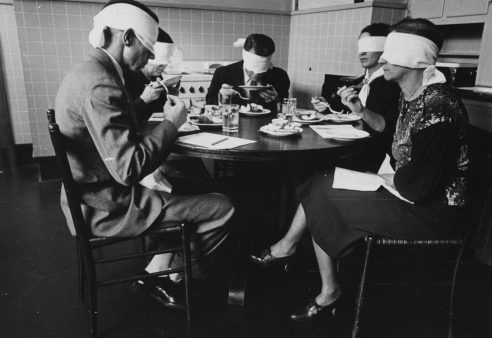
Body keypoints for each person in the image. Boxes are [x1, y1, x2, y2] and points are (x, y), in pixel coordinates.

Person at [251, 17, 469, 322]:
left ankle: (322, 284)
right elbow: (395, 138)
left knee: (323, 195)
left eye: (391, 52)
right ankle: (320, 279)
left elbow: (417, 188)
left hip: (433, 213)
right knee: (320, 180)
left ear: (416, 57)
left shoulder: (438, 109)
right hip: (407, 190)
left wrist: (378, 179)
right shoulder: (414, 96)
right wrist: (379, 171)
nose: (381, 58)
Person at [55, 0, 234, 311]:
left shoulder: (86, 71)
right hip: (108, 207)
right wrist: (171, 124)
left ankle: (159, 271)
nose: (151, 57)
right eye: (148, 48)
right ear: (126, 38)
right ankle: (177, 278)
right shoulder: (101, 83)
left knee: (184, 189)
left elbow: (108, 131)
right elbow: (127, 169)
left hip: (89, 197)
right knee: (223, 207)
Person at [313, 23, 401, 172]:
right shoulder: (360, 81)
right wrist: (325, 104)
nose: (362, 53)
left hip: (370, 155)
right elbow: (342, 105)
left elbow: (385, 128)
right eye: (361, 47)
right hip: (349, 146)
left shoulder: (391, 85)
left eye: (369, 46)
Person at [206, 33, 290, 113]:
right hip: (234, 124)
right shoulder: (222, 73)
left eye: (261, 71)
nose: (255, 75)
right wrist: (223, 100)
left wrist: (277, 101)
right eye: (251, 70)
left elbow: (285, 111)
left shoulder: (280, 76)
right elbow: (210, 105)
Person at [125, 27, 179, 129]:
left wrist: (170, 97)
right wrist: (143, 100)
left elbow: (159, 111)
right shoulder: (127, 77)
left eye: (165, 65)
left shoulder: (156, 76)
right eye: (159, 65)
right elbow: (121, 117)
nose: (163, 68)